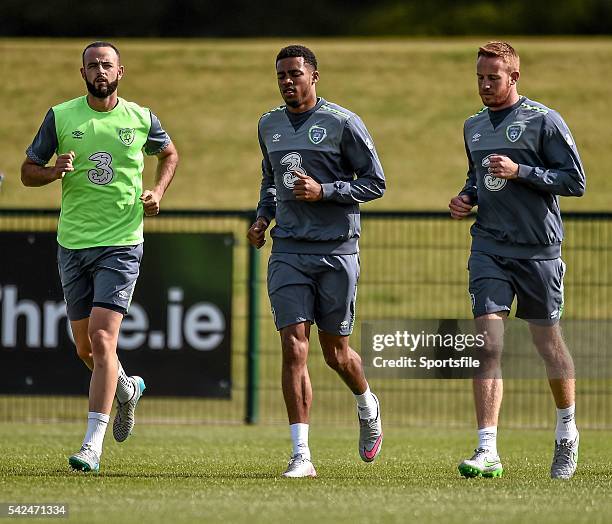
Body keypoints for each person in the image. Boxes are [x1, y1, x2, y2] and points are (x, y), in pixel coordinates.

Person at [21, 41, 179, 472]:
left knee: (104, 340)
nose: (100, 71)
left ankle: (92, 444)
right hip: (73, 243)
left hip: (122, 241)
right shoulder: (61, 116)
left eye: (107, 64)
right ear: (83, 73)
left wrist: (158, 191)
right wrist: (54, 170)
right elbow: (27, 171)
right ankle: (127, 389)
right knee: (85, 349)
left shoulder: (140, 117)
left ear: (120, 71)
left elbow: (169, 153)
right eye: (93, 65)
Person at [247, 44, 386, 478]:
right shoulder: (268, 124)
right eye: (281, 75)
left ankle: (367, 405)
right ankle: (301, 455)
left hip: (336, 250)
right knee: (293, 347)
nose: (288, 81)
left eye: (295, 73)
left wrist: (324, 191)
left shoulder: (343, 123)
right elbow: (271, 181)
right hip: (288, 249)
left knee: (336, 354)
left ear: (314, 76)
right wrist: (262, 218)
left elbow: (375, 183)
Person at [449, 41, 585, 480]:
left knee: (548, 345)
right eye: (479, 78)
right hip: (490, 247)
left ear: (514, 78)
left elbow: (574, 181)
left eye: (493, 77)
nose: (485, 85)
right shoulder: (472, 125)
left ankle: (567, 432)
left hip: (538, 251)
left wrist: (522, 171)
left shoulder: (544, 120)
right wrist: (467, 196)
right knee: (487, 345)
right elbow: (478, 175)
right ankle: (487, 449)